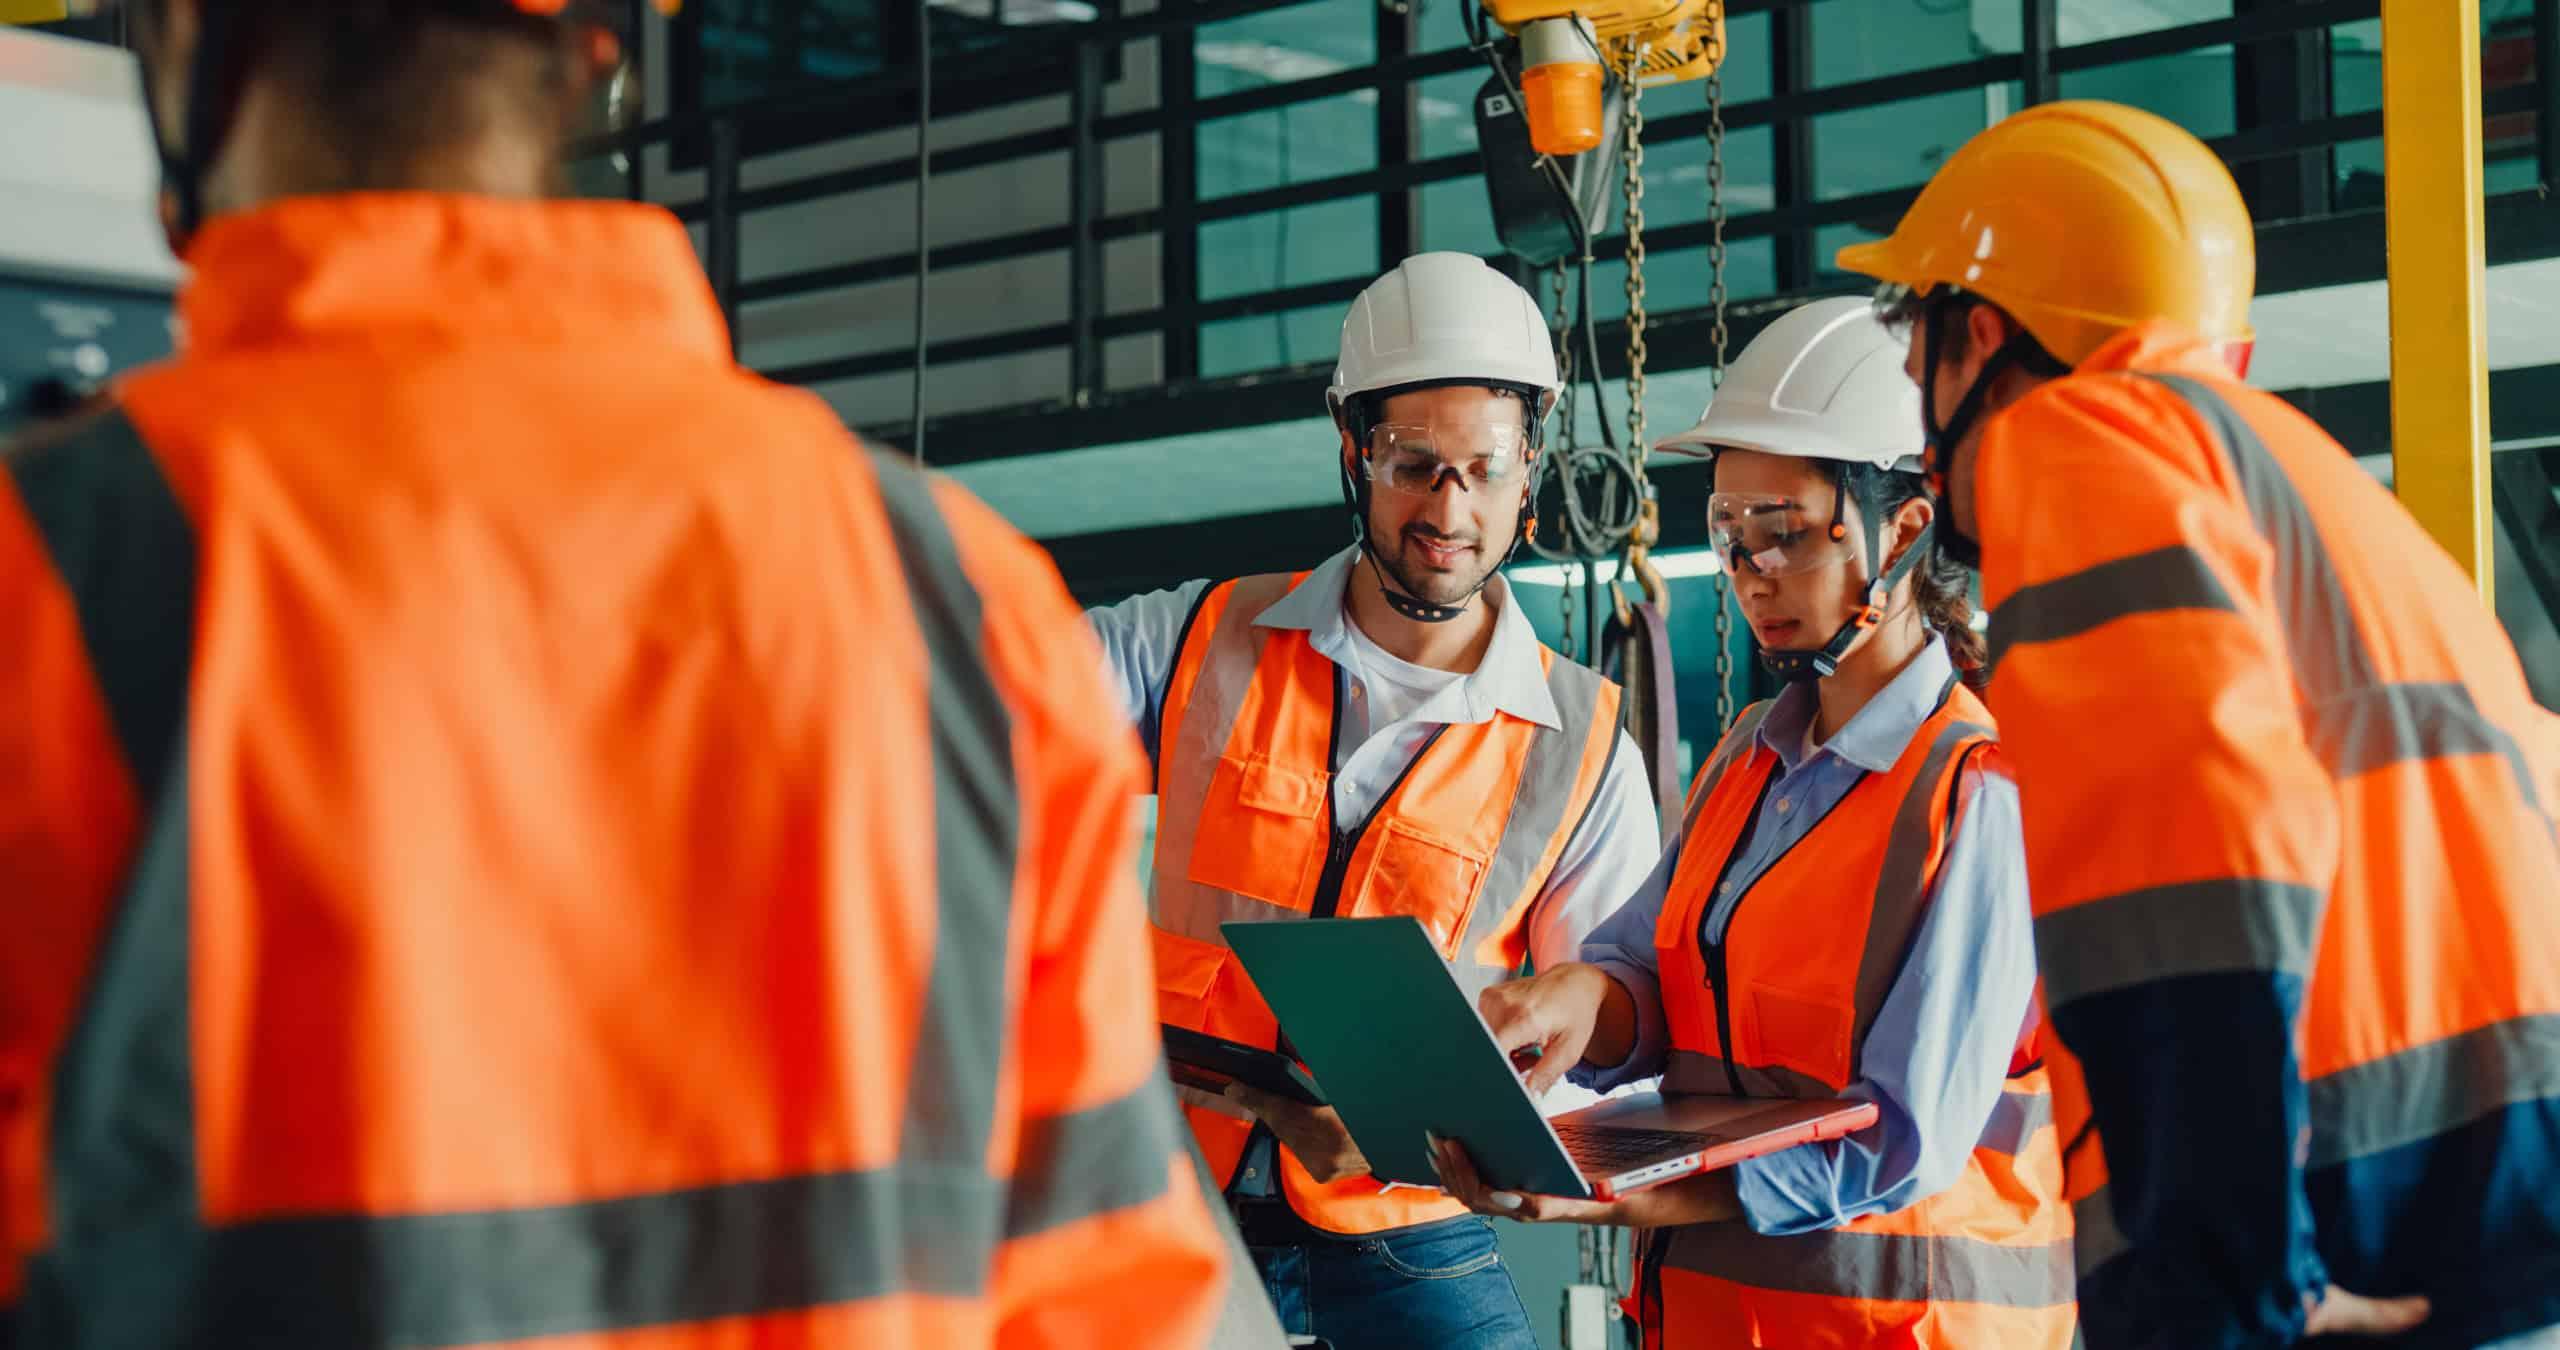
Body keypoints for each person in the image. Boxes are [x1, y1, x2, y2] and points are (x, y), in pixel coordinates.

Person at [0, 3, 1225, 1346]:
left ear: (187, 39)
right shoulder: (964, 597)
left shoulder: (46, 571)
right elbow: (1106, 1294)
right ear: (599, 51)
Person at [1836, 98, 2560, 1350]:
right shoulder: (2295, 471)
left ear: (1982, 335)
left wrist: (2234, 1276)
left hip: (2338, 1233)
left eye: (1921, 381)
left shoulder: (2075, 444)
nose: (1926, 442)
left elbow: (2187, 871)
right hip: (2495, 1204)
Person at [1429, 297, 2078, 1347]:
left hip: (1898, 1328)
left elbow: (1901, 1140)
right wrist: (1582, 998)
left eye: (1783, 535)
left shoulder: (1977, 795)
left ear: (1906, 530)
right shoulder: (1748, 758)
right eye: (1730, 537)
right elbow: (1658, 975)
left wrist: (1623, 1195)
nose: (1750, 575)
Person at [1086, 250, 1662, 1349]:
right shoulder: (1195, 641)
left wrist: (1463, 1122)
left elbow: (1607, 1050)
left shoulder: (1583, 746)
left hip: (1410, 1228)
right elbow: (986, 704)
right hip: (1174, 1195)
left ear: (1530, 470)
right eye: (1414, 464)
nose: (1451, 508)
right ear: (1351, 448)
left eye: (1486, 469)